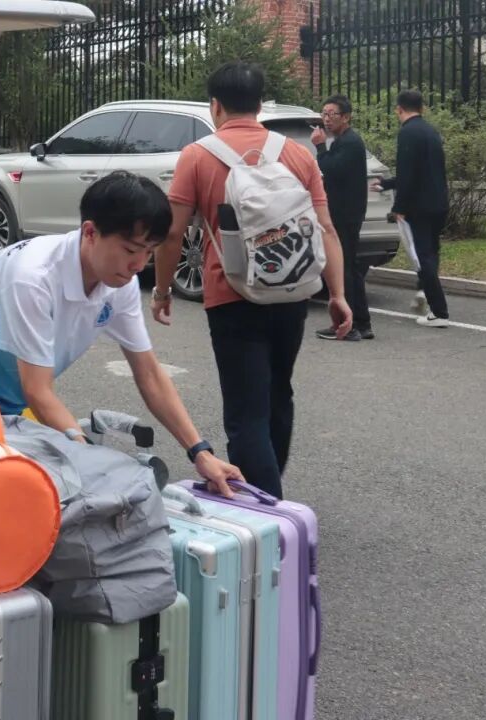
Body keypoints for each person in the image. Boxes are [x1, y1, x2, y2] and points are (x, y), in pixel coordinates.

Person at [0, 171, 243, 496]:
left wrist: (200, 452)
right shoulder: (33, 277)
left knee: (14, 492)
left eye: (149, 251)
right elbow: (37, 390)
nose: (139, 264)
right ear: (90, 232)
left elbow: (149, 374)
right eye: (130, 250)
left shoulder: (119, 282)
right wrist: (91, 461)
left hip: (2, 396)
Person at [150, 62, 352, 500]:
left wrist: (162, 291)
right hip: (292, 292)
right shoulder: (298, 154)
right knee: (279, 394)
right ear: (260, 105)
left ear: (215, 105)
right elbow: (326, 228)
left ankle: (267, 509)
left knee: (246, 411)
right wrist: (337, 294)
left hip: (232, 296)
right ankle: (271, 489)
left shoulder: (197, 156)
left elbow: (172, 233)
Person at [373, 89, 450, 328]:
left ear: (399, 109)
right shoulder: (430, 131)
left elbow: (408, 174)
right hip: (439, 203)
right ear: (422, 108)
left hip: (419, 206)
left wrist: (399, 206)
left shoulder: (407, 133)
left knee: (422, 255)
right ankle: (424, 291)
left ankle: (439, 311)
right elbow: (424, 171)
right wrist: (386, 184)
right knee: (431, 252)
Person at [311, 95, 372, 341]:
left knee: (343, 269)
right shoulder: (343, 141)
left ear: (346, 117)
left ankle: (348, 325)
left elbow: (331, 170)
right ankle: (362, 323)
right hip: (347, 212)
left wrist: (319, 147)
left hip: (345, 215)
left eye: (332, 114)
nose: (326, 119)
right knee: (350, 268)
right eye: (324, 114)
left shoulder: (350, 142)